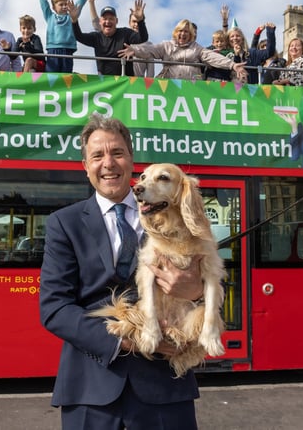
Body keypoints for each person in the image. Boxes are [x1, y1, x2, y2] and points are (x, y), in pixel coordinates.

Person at [39, 112, 205, 429]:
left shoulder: (178, 215)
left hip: (165, 386)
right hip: (89, 388)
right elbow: (54, 308)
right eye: (97, 155)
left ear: (131, 159)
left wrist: (194, 292)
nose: (109, 164)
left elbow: (209, 285)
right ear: (85, 166)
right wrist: (130, 340)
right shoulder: (64, 223)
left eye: (117, 152)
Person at [119, 19, 247, 82]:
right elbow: (150, 50)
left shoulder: (196, 48)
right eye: (180, 31)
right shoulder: (166, 45)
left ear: (190, 34)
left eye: (186, 32)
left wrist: (233, 65)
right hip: (170, 85)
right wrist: (135, 50)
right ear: (176, 33)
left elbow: (213, 57)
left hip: (192, 87)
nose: (183, 34)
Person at [70, 0, 148, 76]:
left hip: (125, 82)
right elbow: (79, 36)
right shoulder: (96, 37)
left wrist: (140, 21)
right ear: (100, 21)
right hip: (105, 84)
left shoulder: (125, 33)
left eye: (111, 19)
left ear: (116, 21)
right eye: (105, 19)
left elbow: (143, 38)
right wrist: (74, 20)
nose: (108, 21)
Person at [39, 0, 99, 73]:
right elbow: (43, 2)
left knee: (66, 76)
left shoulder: (71, 16)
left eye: (65, 4)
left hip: (68, 50)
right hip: (53, 50)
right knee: (51, 75)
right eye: (60, 4)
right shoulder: (50, 16)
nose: (64, 6)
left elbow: (80, 2)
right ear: (54, 7)